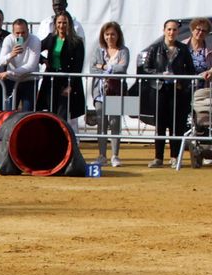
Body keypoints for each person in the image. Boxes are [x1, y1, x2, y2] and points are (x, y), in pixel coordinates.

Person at [138, 19, 193, 169]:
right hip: (159, 90)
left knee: (177, 125)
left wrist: (181, 81)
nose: (171, 32)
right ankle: (158, 158)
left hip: (177, 91)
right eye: (169, 29)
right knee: (160, 125)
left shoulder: (183, 49)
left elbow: (190, 70)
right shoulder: (155, 48)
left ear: (178, 32)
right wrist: (161, 74)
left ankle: (175, 157)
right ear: (164, 31)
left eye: (174, 30)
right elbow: (146, 68)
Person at [89, 22, 129, 167]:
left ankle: (115, 155)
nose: (110, 37)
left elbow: (123, 68)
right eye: (107, 34)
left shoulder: (124, 50)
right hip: (99, 91)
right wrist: (111, 68)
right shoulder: (98, 50)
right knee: (101, 123)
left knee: (115, 123)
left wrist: (104, 67)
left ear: (118, 35)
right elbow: (92, 69)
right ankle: (101, 155)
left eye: (113, 34)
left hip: (117, 91)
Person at [38, 12, 84, 121]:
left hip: (66, 82)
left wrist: (70, 85)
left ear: (69, 24)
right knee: (51, 114)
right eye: (59, 22)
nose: (61, 25)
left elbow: (78, 66)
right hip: (51, 81)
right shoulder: (51, 38)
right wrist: (43, 59)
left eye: (64, 23)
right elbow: (35, 49)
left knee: (62, 114)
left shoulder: (77, 42)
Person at [0, 19, 40, 112]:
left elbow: (31, 66)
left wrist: (9, 72)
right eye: (17, 33)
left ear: (28, 30)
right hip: (12, 80)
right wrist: (11, 54)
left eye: (23, 32)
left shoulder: (35, 40)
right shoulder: (9, 39)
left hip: (29, 80)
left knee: (27, 113)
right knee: (9, 112)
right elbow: (1, 61)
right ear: (13, 32)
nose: (20, 36)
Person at [188, 19, 211, 167]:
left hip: (204, 91)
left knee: (203, 121)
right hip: (184, 90)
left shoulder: (209, 48)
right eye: (197, 29)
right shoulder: (183, 46)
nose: (200, 32)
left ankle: (206, 150)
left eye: (203, 30)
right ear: (192, 30)